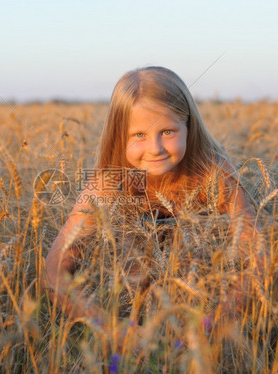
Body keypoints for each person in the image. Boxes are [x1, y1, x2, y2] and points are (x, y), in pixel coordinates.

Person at [44, 66, 264, 346]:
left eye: (168, 131)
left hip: (199, 312)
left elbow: (259, 257)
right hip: (128, 318)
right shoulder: (110, 183)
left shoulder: (213, 176)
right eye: (138, 135)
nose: (155, 148)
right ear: (118, 136)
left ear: (188, 126)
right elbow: (54, 272)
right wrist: (105, 325)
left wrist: (215, 322)